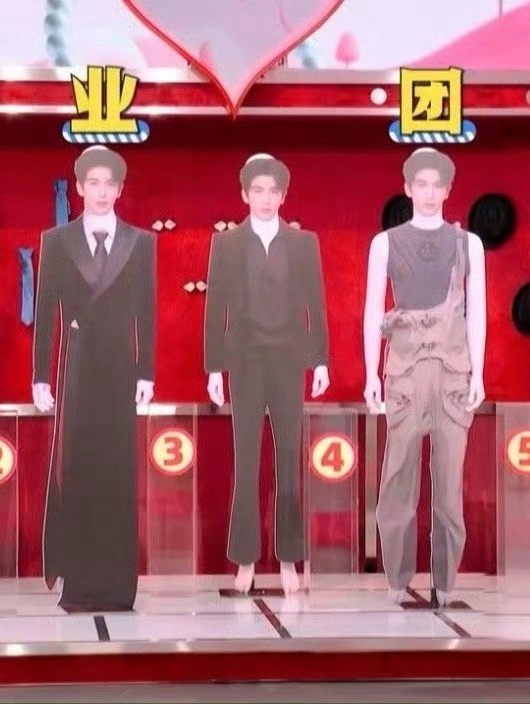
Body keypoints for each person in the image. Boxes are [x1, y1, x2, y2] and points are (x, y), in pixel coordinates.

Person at [32, 146, 156, 612]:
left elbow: (147, 312)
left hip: (120, 365)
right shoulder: (57, 240)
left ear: (120, 189)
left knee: (119, 472)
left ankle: (119, 585)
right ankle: (80, 582)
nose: (101, 192)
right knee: (79, 468)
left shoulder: (140, 242)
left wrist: (147, 372)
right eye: (94, 183)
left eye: (110, 184)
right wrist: (40, 376)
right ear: (80, 186)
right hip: (78, 363)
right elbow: (46, 311)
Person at [363, 148, 486, 606]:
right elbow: (372, 310)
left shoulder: (468, 244)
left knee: (449, 485)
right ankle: (397, 579)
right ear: (408, 187)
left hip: (453, 372)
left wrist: (479, 370)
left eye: (437, 185)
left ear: (449, 189)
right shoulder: (385, 242)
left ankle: (446, 580)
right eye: (421, 184)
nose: (430, 193)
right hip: (404, 372)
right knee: (398, 478)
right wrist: (370, 373)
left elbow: (477, 311)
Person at [204, 154, 330, 595]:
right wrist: (214, 367)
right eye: (257, 190)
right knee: (246, 460)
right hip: (244, 360)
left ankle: (290, 559)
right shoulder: (226, 244)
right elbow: (215, 307)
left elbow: (315, 302)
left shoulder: (303, 243)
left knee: (289, 459)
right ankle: (245, 560)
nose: (264, 198)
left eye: (272, 191)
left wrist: (320, 360)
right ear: (244, 194)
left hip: (288, 360)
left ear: (283, 196)